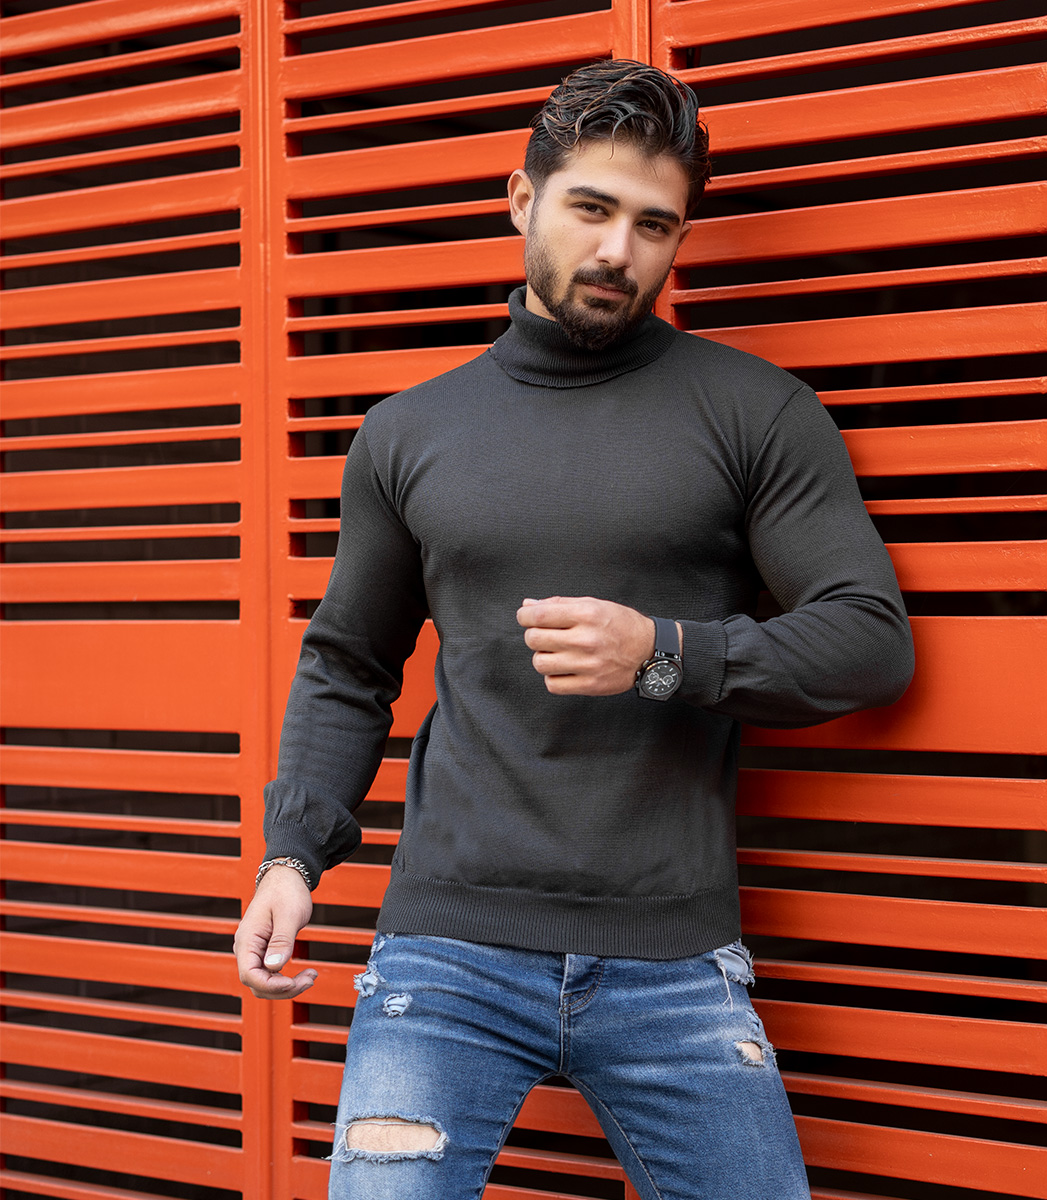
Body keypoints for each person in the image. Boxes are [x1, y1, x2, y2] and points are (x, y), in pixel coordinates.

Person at [234, 59, 914, 1200]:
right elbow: (349, 664)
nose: (617, 251)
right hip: (444, 955)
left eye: (655, 225)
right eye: (591, 208)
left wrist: (665, 655)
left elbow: (869, 640)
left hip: (674, 959)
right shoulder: (407, 433)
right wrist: (293, 857)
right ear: (522, 200)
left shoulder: (757, 412)